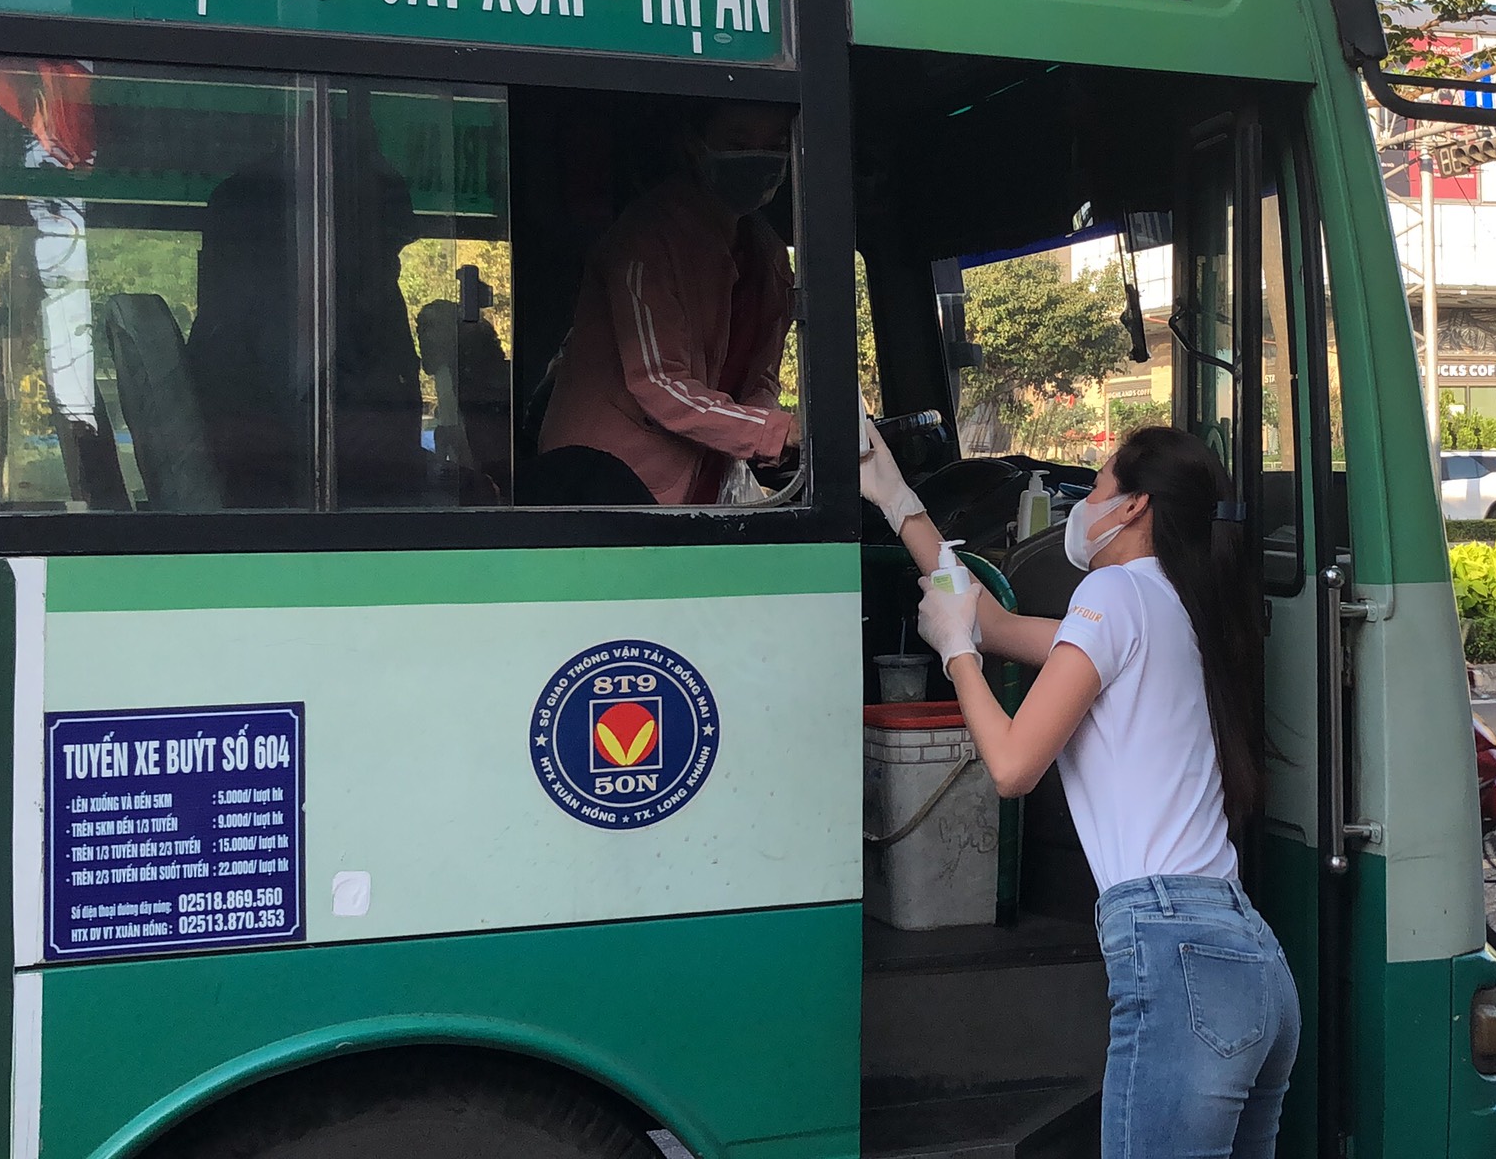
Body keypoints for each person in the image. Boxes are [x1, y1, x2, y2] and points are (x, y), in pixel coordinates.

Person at [861, 424, 1299, 1156]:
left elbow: (1011, 766)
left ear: (1133, 508)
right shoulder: (1172, 605)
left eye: (1095, 488)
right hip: (1250, 958)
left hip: (1176, 950)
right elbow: (991, 619)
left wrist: (957, 655)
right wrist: (897, 499)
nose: (1082, 505)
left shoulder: (1114, 592)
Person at [534, 102, 797, 505]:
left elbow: (760, 378)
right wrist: (774, 431)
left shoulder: (768, 256)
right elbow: (659, 384)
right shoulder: (648, 240)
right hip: (606, 488)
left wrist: (774, 431)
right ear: (694, 144)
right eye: (738, 142)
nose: (757, 159)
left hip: (702, 486)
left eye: (775, 145)